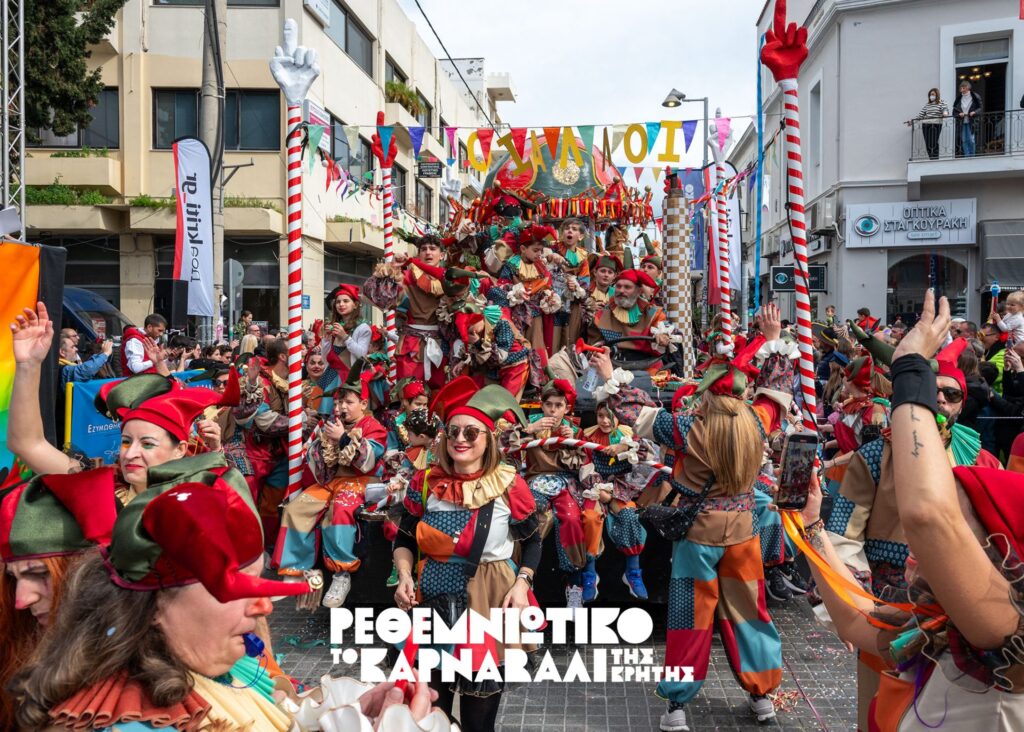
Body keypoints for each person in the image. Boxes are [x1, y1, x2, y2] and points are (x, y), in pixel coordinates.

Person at [10, 468, 449, 731]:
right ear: (154, 604)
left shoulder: (200, 666)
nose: (263, 609)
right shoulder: (134, 720)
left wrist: (348, 714)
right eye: (237, 589)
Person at [802, 290, 1024, 730]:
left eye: (952, 395)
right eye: (934, 392)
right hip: (892, 596)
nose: (940, 402)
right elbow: (854, 615)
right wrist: (811, 525)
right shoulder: (874, 458)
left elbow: (930, 518)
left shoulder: (1001, 621)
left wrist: (909, 367)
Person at [592, 305, 794, 731]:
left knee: (689, 618)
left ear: (707, 394)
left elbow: (633, 412)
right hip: (742, 534)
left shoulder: (688, 427)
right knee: (750, 614)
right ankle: (762, 696)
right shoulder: (756, 423)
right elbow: (777, 389)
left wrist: (612, 371)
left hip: (697, 534)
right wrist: (772, 338)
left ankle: (678, 706)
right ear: (740, 394)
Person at [393, 376, 541, 732]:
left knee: (478, 721)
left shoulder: (508, 483)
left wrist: (522, 584)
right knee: (430, 711)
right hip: (432, 598)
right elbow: (403, 538)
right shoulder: (424, 481)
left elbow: (534, 541)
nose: (460, 439)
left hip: (487, 598)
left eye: (471, 433)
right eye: (453, 431)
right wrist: (404, 576)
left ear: (488, 438)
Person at [8, 303, 225, 501]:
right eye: (126, 441)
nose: (130, 454)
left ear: (180, 449)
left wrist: (216, 452)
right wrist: (29, 365)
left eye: (147, 443)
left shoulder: (196, 500)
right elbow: (27, 444)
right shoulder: (103, 490)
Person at [0, 468, 117, 728]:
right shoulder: (17, 646)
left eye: (40, 573)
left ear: (87, 573)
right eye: (13, 578)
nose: (22, 600)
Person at [274, 359, 387, 609]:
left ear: (364, 405)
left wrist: (344, 439)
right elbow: (316, 458)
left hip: (361, 481)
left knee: (340, 509)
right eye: (338, 402)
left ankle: (341, 573)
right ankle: (295, 571)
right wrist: (318, 446)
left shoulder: (374, 427)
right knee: (297, 508)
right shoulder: (328, 426)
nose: (341, 407)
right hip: (331, 482)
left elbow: (368, 461)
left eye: (348, 402)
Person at [523, 378, 602, 607]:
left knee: (570, 517)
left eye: (559, 405)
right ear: (542, 404)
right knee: (531, 518)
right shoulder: (531, 424)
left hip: (566, 482)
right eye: (549, 405)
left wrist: (574, 440)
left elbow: (585, 463)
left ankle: (574, 582)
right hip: (536, 481)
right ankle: (527, 584)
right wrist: (528, 430)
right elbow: (504, 444)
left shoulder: (574, 428)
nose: (553, 410)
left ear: (567, 408)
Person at [323, 283, 373, 383]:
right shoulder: (335, 325)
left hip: (349, 378)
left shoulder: (363, 328)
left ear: (355, 305)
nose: (341, 304)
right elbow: (325, 355)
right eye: (338, 302)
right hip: (330, 375)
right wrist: (326, 338)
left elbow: (362, 355)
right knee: (321, 397)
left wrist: (345, 337)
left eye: (346, 301)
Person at [905, 87, 949, 159]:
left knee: (933, 143)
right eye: (930, 95)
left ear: (937, 95)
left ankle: (935, 159)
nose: (931, 96)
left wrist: (945, 113)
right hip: (925, 125)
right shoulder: (927, 105)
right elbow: (921, 115)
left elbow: (945, 110)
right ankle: (931, 158)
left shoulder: (942, 103)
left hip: (936, 124)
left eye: (933, 94)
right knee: (928, 144)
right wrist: (912, 122)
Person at [953, 79, 982, 157]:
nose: (962, 88)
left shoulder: (975, 96)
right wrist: (959, 114)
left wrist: (975, 112)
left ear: (968, 87)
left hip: (972, 121)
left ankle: (972, 156)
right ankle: (967, 155)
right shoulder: (959, 99)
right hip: (962, 122)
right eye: (961, 87)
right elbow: (954, 112)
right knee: (964, 140)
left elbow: (980, 108)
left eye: (964, 87)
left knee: (971, 140)